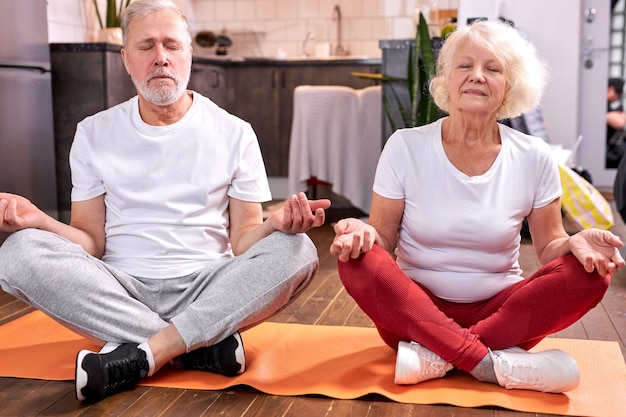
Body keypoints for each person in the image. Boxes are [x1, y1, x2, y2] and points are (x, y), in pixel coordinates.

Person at [0, 0, 330, 403]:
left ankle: (145, 352)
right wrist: (39, 220)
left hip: (210, 286)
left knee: (299, 250)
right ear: (125, 58)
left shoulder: (235, 132)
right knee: (17, 252)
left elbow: (243, 240)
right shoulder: (93, 133)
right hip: (120, 290)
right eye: (146, 47)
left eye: (172, 45)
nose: (161, 58)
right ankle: (200, 344)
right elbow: (91, 242)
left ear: (189, 53)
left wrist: (277, 225)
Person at [330, 20, 624, 394]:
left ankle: (438, 356)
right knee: (357, 259)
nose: (477, 77)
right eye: (465, 66)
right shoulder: (405, 146)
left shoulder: (533, 156)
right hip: (415, 310)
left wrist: (574, 242)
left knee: (590, 275)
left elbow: (550, 246)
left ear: (509, 88)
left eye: (493, 68)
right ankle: (488, 363)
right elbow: (382, 239)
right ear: (447, 81)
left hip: (502, 315)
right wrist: (364, 234)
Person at [606, 77, 626, 168]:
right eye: (618, 93)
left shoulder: (612, 106)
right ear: (611, 90)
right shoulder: (601, 104)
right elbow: (620, 122)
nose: (618, 96)